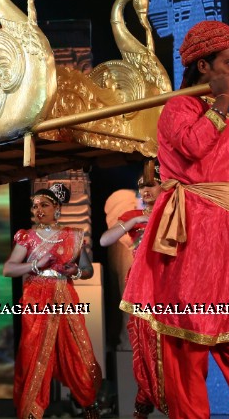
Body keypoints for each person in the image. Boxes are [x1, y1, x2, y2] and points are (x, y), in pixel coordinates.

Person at [120, 20, 229, 419]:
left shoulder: (226, 119)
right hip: (194, 242)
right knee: (186, 356)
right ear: (203, 67)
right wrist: (221, 103)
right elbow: (193, 147)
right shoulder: (179, 107)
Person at [2, 183, 101, 419]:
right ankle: (32, 410)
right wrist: (35, 265)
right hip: (35, 298)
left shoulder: (73, 236)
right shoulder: (26, 236)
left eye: (44, 205)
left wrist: (74, 271)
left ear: (57, 208)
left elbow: (87, 271)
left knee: (78, 350)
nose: (38, 210)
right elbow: (8, 269)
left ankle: (89, 403)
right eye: (35, 205)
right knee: (33, 352)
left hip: (64, 296)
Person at [100, 174, 160, 419]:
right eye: (141, 187)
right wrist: (135, 219)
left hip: (170, 285)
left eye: (150, 185)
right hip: (141, 286)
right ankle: (144, 401)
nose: (145, 191)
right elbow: (105, 240)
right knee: (142, 343)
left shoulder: (175, 212)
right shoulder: (133, 217)